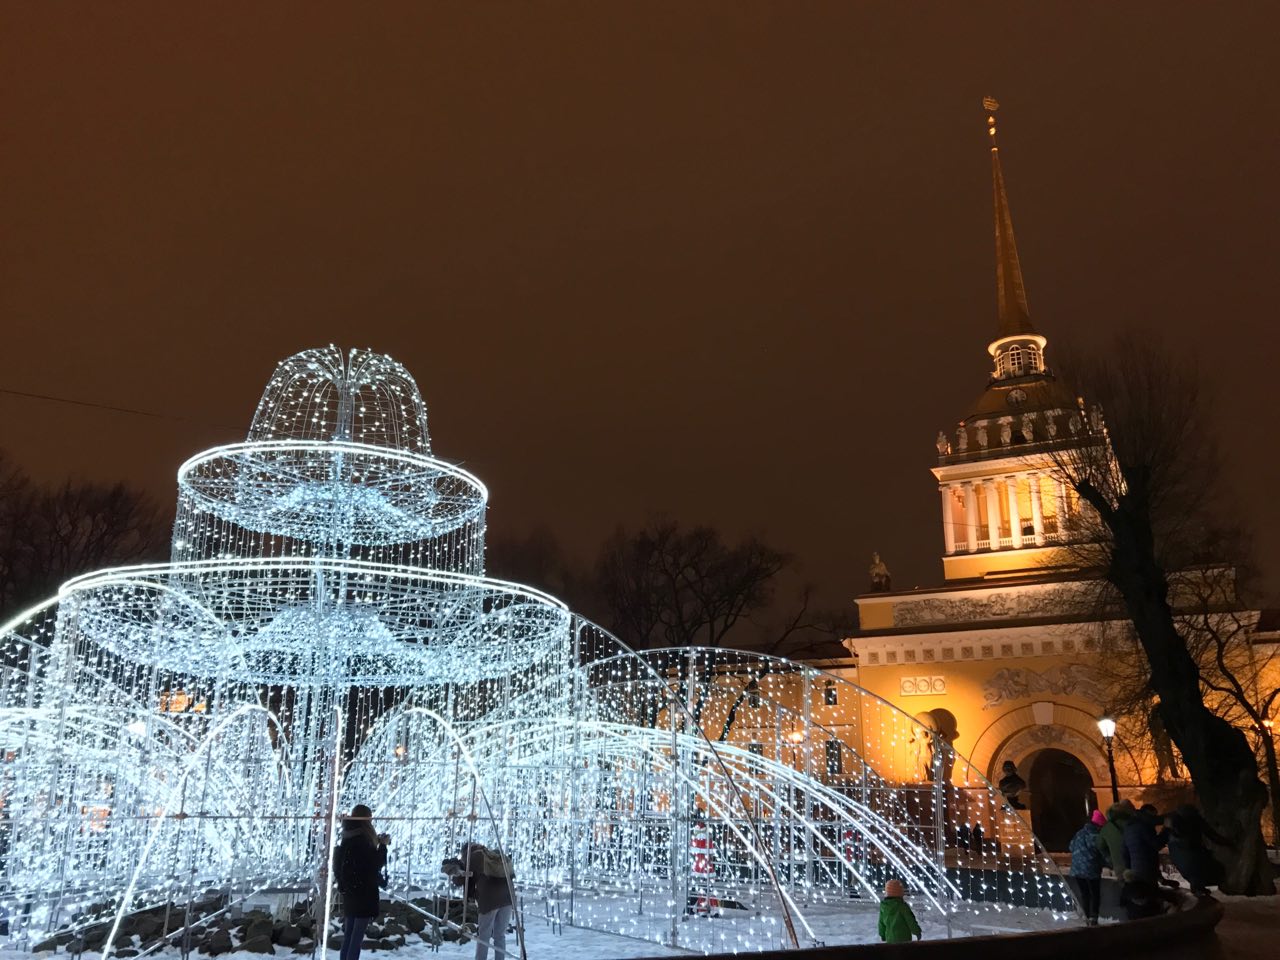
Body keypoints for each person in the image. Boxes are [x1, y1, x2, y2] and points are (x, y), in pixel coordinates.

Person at [333, 805, 389, 960]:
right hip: (363, 892)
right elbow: (374, 864)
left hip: (351, 892)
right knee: (356, 937)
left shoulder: (348, 835)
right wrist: (382, 846)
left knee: (350, 935)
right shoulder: (362, 839)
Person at [461, 842, 514, 960]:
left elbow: (468, 881)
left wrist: (469, 897)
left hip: (489, 900)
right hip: (507, 898)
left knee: (484, 935)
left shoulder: (473, 857)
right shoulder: (491, 855)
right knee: (500, 935)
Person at [1165, 804, 1229, 897]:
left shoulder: (1172, 821)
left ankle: (1198, 888)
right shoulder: (1195, 820)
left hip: (1177, 853)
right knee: (1203, 868)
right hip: (1192, 851)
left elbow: (1163, 837)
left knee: (1192, 871)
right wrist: (1228, 843)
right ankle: (1200, 889)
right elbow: (1212, 835)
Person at [1068, 809, 1107, 925]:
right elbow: (1102, 852)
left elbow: (1071, 847)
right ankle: (1094, 917)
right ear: (1099, 825)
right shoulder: (1096, 836)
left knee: (1085, 893)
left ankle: (1086, 915)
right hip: (1092, 869)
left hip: (1077, 869)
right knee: (1095, 893)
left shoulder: (1079, 833)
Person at [1095, 799, 1134, 877]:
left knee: (1125, 886)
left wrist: (1110, 859)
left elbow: (1099, 845)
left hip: (1119, 864)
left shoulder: (1106, 828)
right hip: (1138, 863)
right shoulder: (1133, 823)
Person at [878, 878, 922, 944]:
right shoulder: (902, 906)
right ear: (900, 892)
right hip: (904, 939)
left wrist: (882, 934)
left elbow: (881, 923)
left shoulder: (884, 907)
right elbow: (910, 920)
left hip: (890, 939)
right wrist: (917, 931)